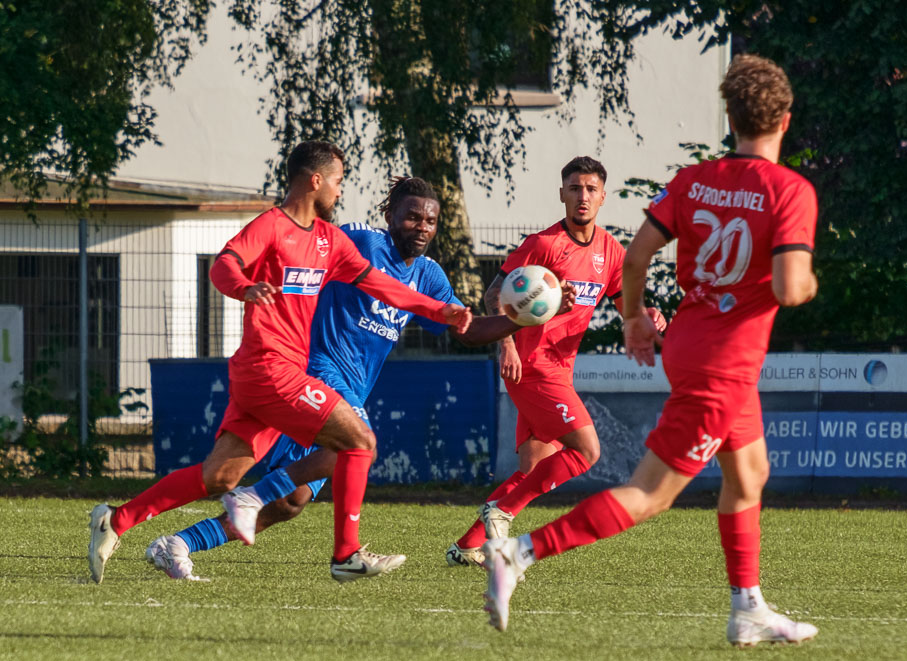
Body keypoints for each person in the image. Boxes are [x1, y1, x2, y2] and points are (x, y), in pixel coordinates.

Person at [480, 54, 820, 647]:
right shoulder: (789, 190)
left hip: (690, 345)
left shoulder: (695, 181)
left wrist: (634, 318)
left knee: (750, 473)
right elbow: (792, 289)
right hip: (725, 363)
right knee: (650, 494)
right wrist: (810, 279)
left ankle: (748, 607)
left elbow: (634, 259)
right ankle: (520, 552)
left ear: (730, 117)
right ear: (785, 121)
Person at [144, 177, 574, 583]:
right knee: (357, 443)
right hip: (314, 371)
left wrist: (521, 317)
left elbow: (470, 332)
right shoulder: (362, 242)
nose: (422, 227)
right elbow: (308, 251)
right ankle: (313, 536)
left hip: (350, 383)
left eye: (430, 220)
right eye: (412, 217)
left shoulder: (428, 275)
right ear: (390, 215)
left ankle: (179, 541)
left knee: (290, 503)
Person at [87, 144, 471, 584]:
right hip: (272, 368)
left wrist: (439, 311)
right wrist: (244, 287)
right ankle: (344, 553)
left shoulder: (330, 240)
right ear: (315, 181)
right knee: (359, 442)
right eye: (339, 180)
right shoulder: (272, 225)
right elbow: (224, 266)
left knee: (219, 478)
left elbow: (382, 286)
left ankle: (116, 520)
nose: (340, 189)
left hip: (273, 378)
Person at [445, 156, 666, 568]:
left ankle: (467, 545)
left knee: (534, 470)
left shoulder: (610, 252)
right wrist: (506, 343)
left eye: (590, 189)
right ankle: (501, 513)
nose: (582, 196)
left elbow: (627, 309)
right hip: (531, 366)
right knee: (587, 450)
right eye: (574, 188)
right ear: (562, 194)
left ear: (602, 197)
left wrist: (647, 318)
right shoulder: (543, 245)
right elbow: (496, 294)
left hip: (559, 369)